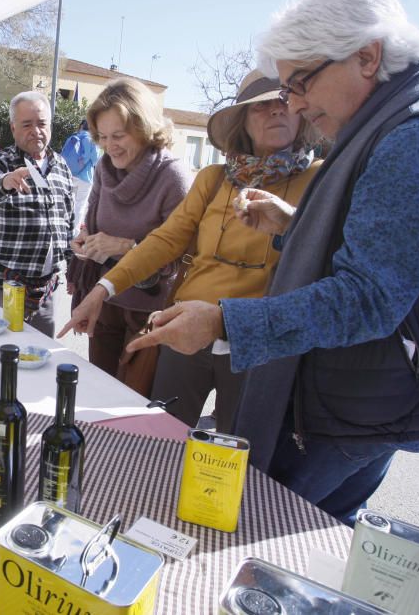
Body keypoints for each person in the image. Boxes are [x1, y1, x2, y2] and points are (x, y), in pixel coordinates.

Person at [124, 0, 419, 526]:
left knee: (266, 526)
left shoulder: (418, 134)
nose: (293, 103)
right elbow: (392, 254)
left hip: (357, 406)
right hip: (365, 398)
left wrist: (225, 324)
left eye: (300, 83)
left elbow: (369, 297)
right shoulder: (401, 121)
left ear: (367, 56)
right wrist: (296, 227)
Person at [61, 72, 318, 427]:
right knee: (160, 435)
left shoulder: (321, 179)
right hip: (186, 333)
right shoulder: (214, 178)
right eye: (261, 106)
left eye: (284, 101)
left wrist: (290, 221)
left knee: (236, 448)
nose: (275, 110)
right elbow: (166, 240)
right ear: (243, 119)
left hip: (257, 341)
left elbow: (329, 255)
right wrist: (102, 289)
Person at [63, 79, 192, 397]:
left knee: (131, 404)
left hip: (150, 314)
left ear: (144, 127)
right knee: (99, 395)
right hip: (105, 304)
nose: (110, 146)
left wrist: (126, 248)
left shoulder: (173, 176)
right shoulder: (104, 169)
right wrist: (85, 240)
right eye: (103, 137)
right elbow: (92, 223)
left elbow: (182, 256)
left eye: (119, 135)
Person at [0, 91, 74, 337]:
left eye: (41, 124)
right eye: (27, 124)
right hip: (8, 283)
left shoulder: (60, 165)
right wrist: (7, 181)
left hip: (47, 287)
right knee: (3, 352)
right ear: (13, 127)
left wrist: (73, 266)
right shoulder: (2, 161)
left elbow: (68, 220)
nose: (36, 131)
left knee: (40, 356)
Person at [61, 119, 100, 237]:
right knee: (80, 204)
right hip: (85, 178)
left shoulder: (72, 138)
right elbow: (95, 160)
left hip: (69, 175)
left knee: (68, 202)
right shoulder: (93, 141)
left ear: (81, 126)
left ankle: (63, 229)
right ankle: (74, 232)